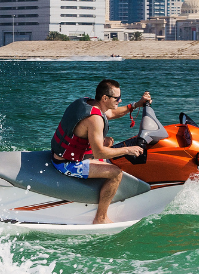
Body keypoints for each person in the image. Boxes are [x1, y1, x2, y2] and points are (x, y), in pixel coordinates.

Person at [51, 79, 151, 224]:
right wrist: (128, 150)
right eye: (117, 98)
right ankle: (101, 217)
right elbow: (99, 154)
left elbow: (111, 113)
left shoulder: (85, 102)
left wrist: (136, 105)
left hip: (62, 153)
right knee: (116, 173)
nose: (120, 100)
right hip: (67, 164)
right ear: (105, 98)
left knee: (108, 141)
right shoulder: (95, 119)